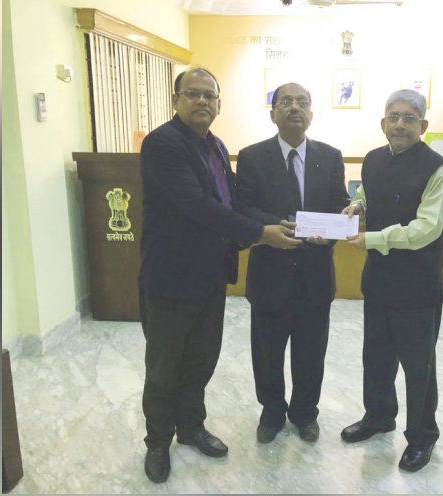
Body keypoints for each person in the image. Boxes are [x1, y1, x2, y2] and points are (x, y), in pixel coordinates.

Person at [137, 68, 301, 484]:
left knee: (200, 361)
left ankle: (191, 428)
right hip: (170, 280)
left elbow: (230, 201)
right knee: (163, 366)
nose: (202, 102)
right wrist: (259, 233)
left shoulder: (215, 145)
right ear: (175, 100)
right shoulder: (163, 144)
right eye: (192, 94)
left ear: (219, 104)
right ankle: (158, 441)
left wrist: (267, 222)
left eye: (210, 96)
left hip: (210, 278)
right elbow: (196, 205)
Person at [339, 89, 443, 472]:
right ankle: (379, 416)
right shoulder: (372, 160)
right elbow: (370, 195)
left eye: (409, 118)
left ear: (422, 125)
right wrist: (359, 205)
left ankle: (422, 437)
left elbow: (427, 228)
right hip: (378, 281)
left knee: (418, 365)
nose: (400, 124)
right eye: (394, 117)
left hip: (418, 286)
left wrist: (373, 239)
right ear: (383, 122)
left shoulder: (437, 168)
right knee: (376, 356)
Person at [235, 83, 350, 444]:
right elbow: (243, 208)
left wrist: (333, 229)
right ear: (273, 114)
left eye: (303, 102)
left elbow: (339, 203)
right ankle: (271, 412)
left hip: (315, 273)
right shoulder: (252, 156)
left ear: (311, 115)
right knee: (267, 352)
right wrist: (270, 226)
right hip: (270, 272)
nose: (295, 108)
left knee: (311, 352)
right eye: (286, 103)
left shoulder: (330, 156)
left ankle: (304, 413)